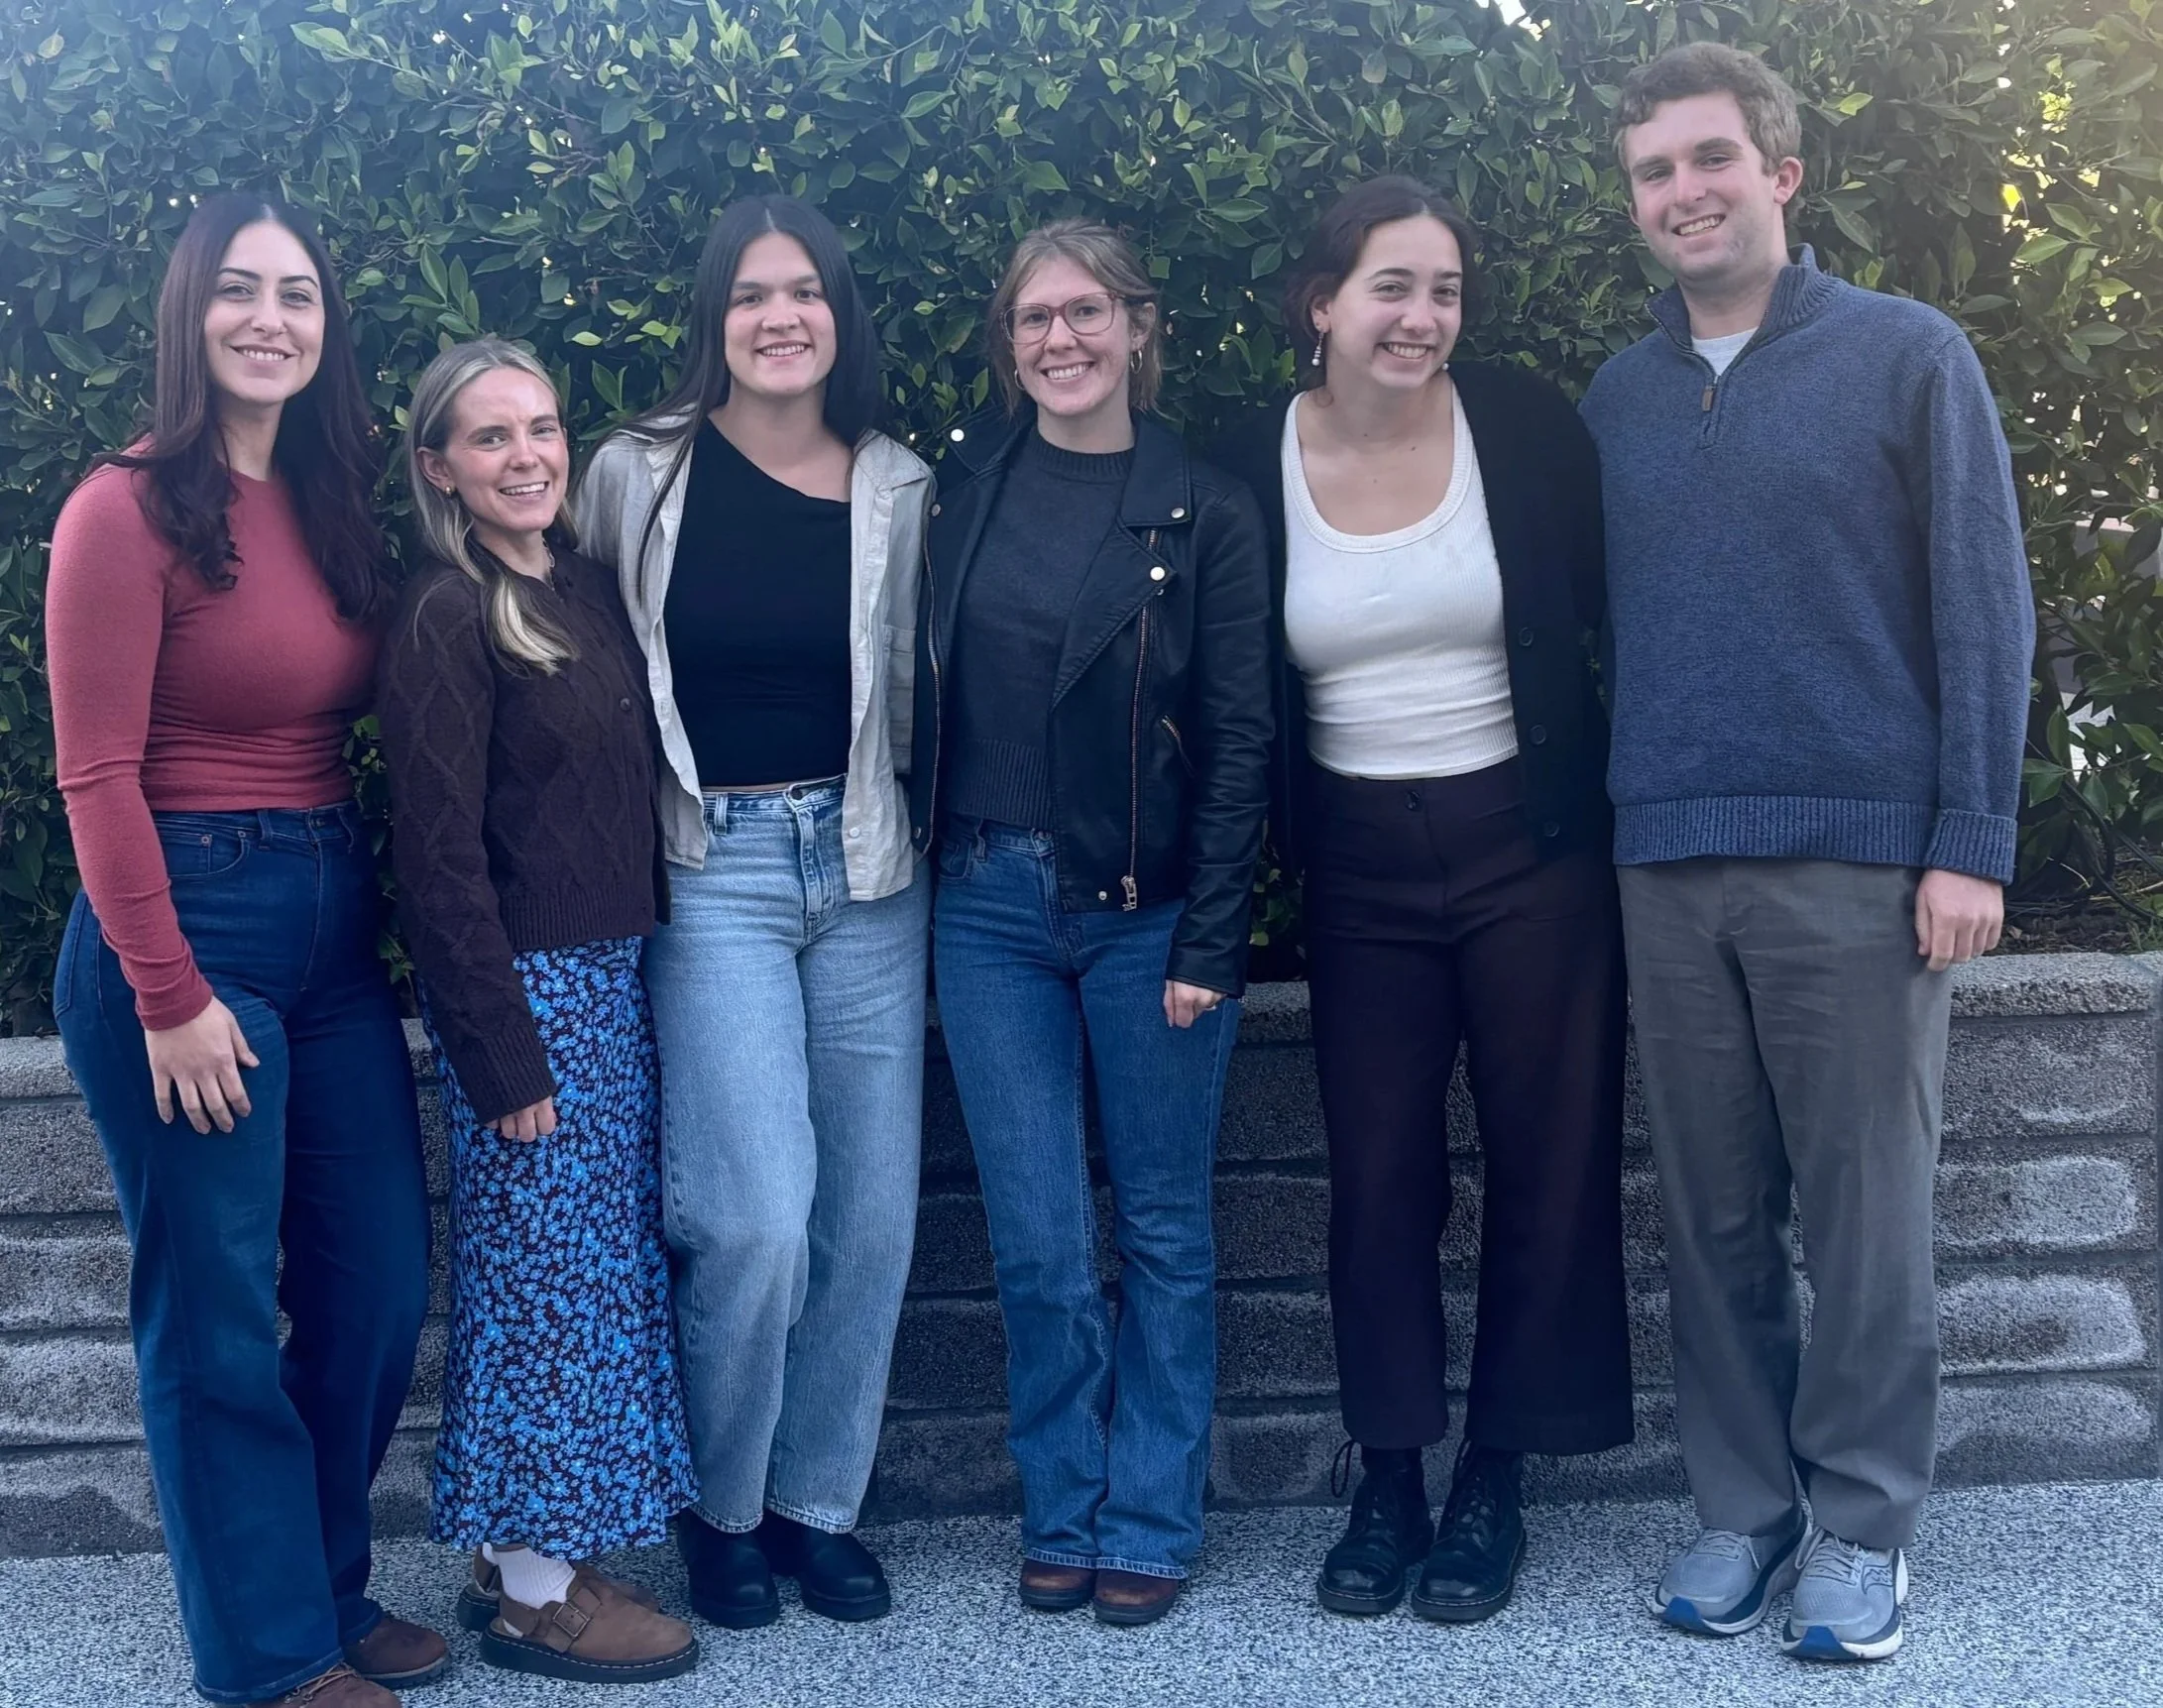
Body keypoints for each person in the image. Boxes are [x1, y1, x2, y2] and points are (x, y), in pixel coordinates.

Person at [1582, 43, 2033, 1662]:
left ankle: (1859, 1526)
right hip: (1664, 857)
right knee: (1705, 1208)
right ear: (1634, 205)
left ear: (1779, 172)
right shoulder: (1618, 397)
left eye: (1710, 159)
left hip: (1858, 862)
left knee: (1861, 1214)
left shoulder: (1908, 357)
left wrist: (1967, 840)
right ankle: (1739, 1504)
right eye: (1653, 173)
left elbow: (1983, 605)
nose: (1683, 192)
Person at [1206, 177, 1633, 1625]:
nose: (1421, 316)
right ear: (1319, 302)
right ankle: (1388, 1467)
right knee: (1377, 1177)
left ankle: (1495, 1474)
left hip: (1534, 841)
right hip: (1357, 862)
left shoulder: (1519, 425)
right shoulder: (1238, 453)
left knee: (1548, 1158)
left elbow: (1622, 612)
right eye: (1391, 285)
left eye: (1443, 288)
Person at [45, 193, 438, 1707]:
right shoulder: (123, 508)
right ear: (187, 313)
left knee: (377, 1284)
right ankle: (269, 1653)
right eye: (239, 290)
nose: (271, 316)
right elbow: (94, 776)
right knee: (213, 1303)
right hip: (188, 927)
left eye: (298, 293)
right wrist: (169, 993)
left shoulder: (330, 495)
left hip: (333, 925)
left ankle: (327, 1591)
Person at [572, 195, 932, 1630]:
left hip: (864, 866)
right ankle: (720, 1504)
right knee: (753, 1215)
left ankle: (813, 1505)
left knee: (872, 1216)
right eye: (749, 293)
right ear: (712, 316)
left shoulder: (902, 484)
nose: (779, 315)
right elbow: (568, 657)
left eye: (804, 290)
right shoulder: (633, 473)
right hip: (708, 867)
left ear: (838, 313)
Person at [910, 218, 1274, 1627]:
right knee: (1040, 1240)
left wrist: (1213, 939)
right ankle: (1059, 1505)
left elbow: (1244, 740)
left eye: (1082, 315)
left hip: (1148, 911)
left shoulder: (1205, 506)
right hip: (986, 906)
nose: (1057, 341)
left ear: (1136, 323)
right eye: (1030, 322)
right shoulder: (963, 487)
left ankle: (1150, 1515)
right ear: (1008, 347)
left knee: (1167, 1230)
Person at [378, 339, 700, 1683]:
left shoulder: (571, 584)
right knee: (541, 1297)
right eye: (491, 437)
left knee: (587, 1285)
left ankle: (519, 1546)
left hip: (608, 982)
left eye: (542, 429)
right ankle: (536, 1598)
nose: (526, 457)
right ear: (440, 466)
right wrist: (503, 1052)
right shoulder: (447, 615)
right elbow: (437, 857)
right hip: (530, 1003)